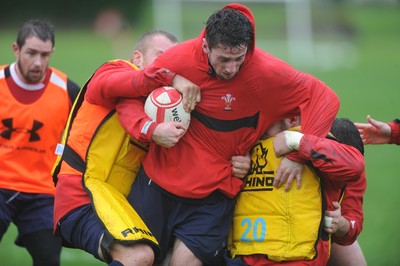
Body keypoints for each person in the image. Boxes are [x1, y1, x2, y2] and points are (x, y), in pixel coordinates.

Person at [85, 3, 340, 265]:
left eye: (239, 59)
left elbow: (324, 98)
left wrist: (299, 155)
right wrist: (152, 126)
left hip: (212, 198)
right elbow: (111, 93)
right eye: (224, 60)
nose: (231, 68)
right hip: (156, 186)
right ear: (206, 46)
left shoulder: (267, 71)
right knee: (138, 260)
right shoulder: (178, 60)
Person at [53, 30, 182, 266]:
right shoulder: (115, 71)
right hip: (80, 193)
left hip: (118, 200)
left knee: (174, 255)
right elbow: (118, 99)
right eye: (160, 58)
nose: (166, 69)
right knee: (138, 256)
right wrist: (152, 130)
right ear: (138, 58)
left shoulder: (162, 102)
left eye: (173, 64)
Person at [227, 117, 366, 265]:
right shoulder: (281, 131)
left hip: (316, 236)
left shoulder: (346, 168)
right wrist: (241, 161)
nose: (260, 130)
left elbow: (353, 224)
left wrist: (341, 224)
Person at [0, 19, 80, 266]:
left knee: (48, 257)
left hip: (42, 191)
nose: (38, 62)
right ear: (16, 49)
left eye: (45, 55)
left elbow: (88, 131)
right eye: (31, 53)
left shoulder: (66, 89)